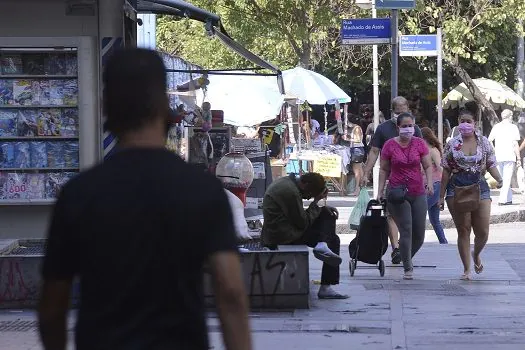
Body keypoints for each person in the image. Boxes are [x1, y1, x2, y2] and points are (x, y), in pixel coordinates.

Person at [38, 48, 251, 350]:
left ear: (105, 106)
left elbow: (51, 308)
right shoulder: (203, 190)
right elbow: (230, 292)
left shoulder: (78, 194)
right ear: (165, 107)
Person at [261, 172, 348, 299]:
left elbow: (301, 217)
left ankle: (322, 244)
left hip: (285, 229)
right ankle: (326, 285)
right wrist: (316, 202)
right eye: (309, 194)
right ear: (305, 184)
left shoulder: (287, 182)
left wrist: (320, 208)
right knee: (333, 240)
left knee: (326, 216)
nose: (307, 198)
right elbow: (302, 223)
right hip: (282, 235)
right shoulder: (290, 192)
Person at [440, 108, 503, 281]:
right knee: (463, 229)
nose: (465, 124)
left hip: (479, 186)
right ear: (458, 123)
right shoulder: (452, 143)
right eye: (462, 121)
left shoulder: (484, 142)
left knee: (482, 231)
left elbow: (491, 163)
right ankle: (467, 268)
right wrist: (440, 196)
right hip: (456, 188)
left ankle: (476, 254)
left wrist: (499, 178)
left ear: (475, 123)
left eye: (469, 121)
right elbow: (445, 170)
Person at [362, 96, 423, 265]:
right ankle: (396, 248)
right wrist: (366, 171)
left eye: (404, 110)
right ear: (393, 111)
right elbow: (374, 151)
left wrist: (428, 176)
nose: (401, 114)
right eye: (398, 111)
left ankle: (405, 251)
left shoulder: (414, 128)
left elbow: (423, 153)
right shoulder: (383, 129)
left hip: (413, 182)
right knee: (391, 214)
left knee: (412, 223)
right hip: (392, 179)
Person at [377, 113, 433, 280]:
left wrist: (429, 182)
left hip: (417, 191)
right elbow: (384, 169)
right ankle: (408, 267)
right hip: (397, 192)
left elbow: (428, 165)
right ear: (398, 127)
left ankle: (403, 255)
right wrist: (380, 191)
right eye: (405, 126)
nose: (408, 129)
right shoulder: (389, 145)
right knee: (406, 229)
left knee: (419, 234)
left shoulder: (420, 143)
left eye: (411, 126)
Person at [488, 109, 522, 205]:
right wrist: (518, 158)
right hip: (509, 156)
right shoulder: (513, 127)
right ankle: (502, 200)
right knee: (506, 179)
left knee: (503, 178)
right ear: (510, 116)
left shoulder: (496, 127)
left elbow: (489, 140)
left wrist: (494, 150)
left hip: (498, 156)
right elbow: (515, 144)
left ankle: (508, 199)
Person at [421, 127, 447, 244]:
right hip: (427, 186)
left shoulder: (433, 150)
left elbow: (441, 167)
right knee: (434, 219)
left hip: (435, 185)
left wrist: (446, 184)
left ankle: (415, 240)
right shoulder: (423, 151)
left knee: (419, 212)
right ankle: (443, 242)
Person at [334, 123, 366, 196]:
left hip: (357, 149)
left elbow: (358, 139)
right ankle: (361, 188)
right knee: (359, 169)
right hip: (355, 149)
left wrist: (347, 138)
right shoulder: (354, 128)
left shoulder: (357, 128)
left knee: (357, 170)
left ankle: (357, 188)